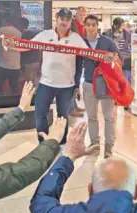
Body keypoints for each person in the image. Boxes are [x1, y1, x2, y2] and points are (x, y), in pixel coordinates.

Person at [7, 8, 87, 145]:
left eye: (67, 20)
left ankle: (61, 144)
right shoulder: (45, 34)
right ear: (57, 19)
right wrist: (11, 45)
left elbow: (89, 54)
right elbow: (28, 46)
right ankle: (43, 142)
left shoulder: (76, 38)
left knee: (63, 117)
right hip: (46, 83)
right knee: (40, 113)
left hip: (66, 85)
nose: (64, 22)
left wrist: (104, 58)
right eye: (62, 19)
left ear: (70, 22)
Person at [81, 15, 120, 158]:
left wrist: (109, 59)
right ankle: (94, 144)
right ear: (84, 26)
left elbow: (118, 58)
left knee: (109, 117)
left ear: (97, 26)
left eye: (93, 24)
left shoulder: (107, 42)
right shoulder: (81, 43)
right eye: (88, 24)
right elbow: (78, 64)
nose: (91, 27)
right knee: (92, 116)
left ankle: (109, 147)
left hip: (106, 85)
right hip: (89, 84)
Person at [20, 18, 41, 87]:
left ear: (21, 25)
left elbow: (22, 51)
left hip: (28, 63)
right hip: (36, 61)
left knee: (29, 84)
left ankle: (32, 97)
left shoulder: (22, 35)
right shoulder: (34, 34)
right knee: (36, 83)